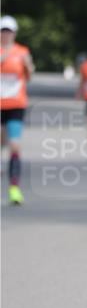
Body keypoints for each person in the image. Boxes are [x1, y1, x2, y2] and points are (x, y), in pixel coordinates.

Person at [0, 15, 34, 205]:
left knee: (15, 146)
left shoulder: (22, 51)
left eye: (9, 31)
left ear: (14, 33)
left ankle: (14, 188)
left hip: (16, 104)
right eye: (3, 31)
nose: (5, 34)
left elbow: (29, 76)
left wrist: (28, 65)